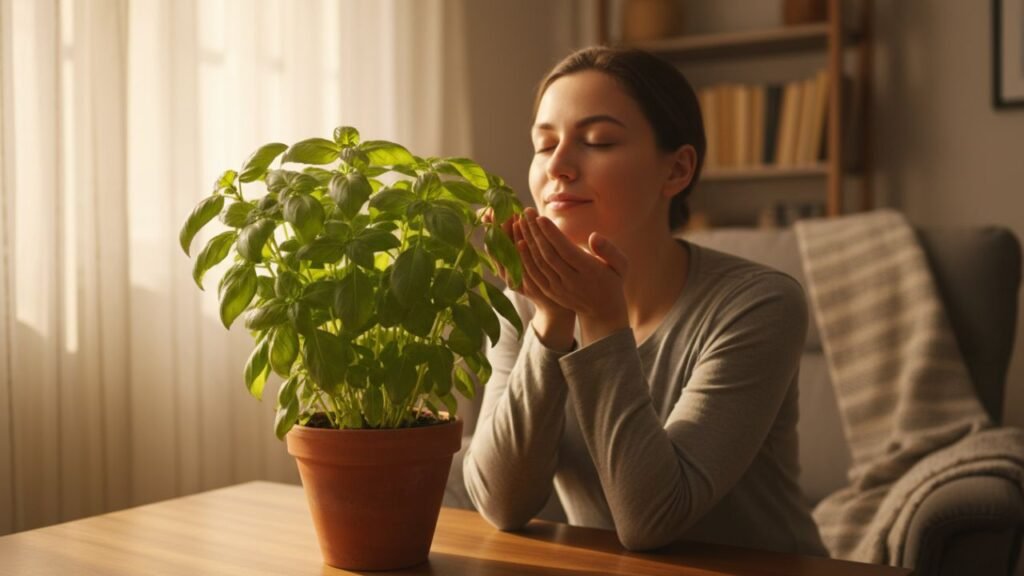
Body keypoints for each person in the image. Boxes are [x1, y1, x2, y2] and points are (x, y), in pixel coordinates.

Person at [464, 45, 826, 555]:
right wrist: (550, 322)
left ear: (676, 170)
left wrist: (602, 319)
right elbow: (501, 504)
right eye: (544, 146)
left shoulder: (759, 304)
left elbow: (652, 519)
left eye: (598, 141)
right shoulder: (528, 304)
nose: (559, 167)